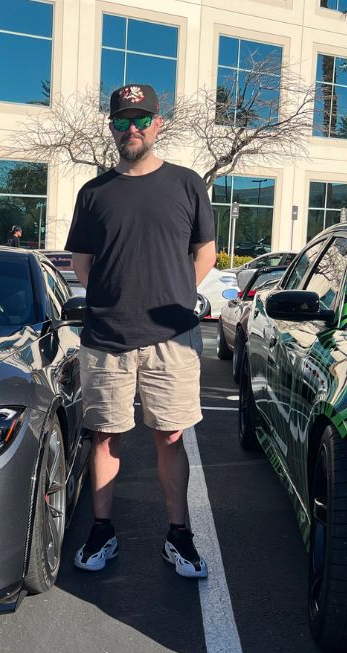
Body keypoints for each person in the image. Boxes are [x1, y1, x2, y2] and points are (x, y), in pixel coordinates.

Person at [66, 83, 217, 579]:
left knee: (170, 436)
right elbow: (82, 262)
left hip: (171, 340)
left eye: (140, 119)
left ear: (158, 124)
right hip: (106, 339)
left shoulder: (188, 184)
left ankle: (180, 536)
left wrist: (171, 298)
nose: (131, 128)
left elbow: (206, 253)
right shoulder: (94, 193)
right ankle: (102, 529)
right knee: (104, 437)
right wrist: (115, 301)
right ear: (111, 127)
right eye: (122, 121)